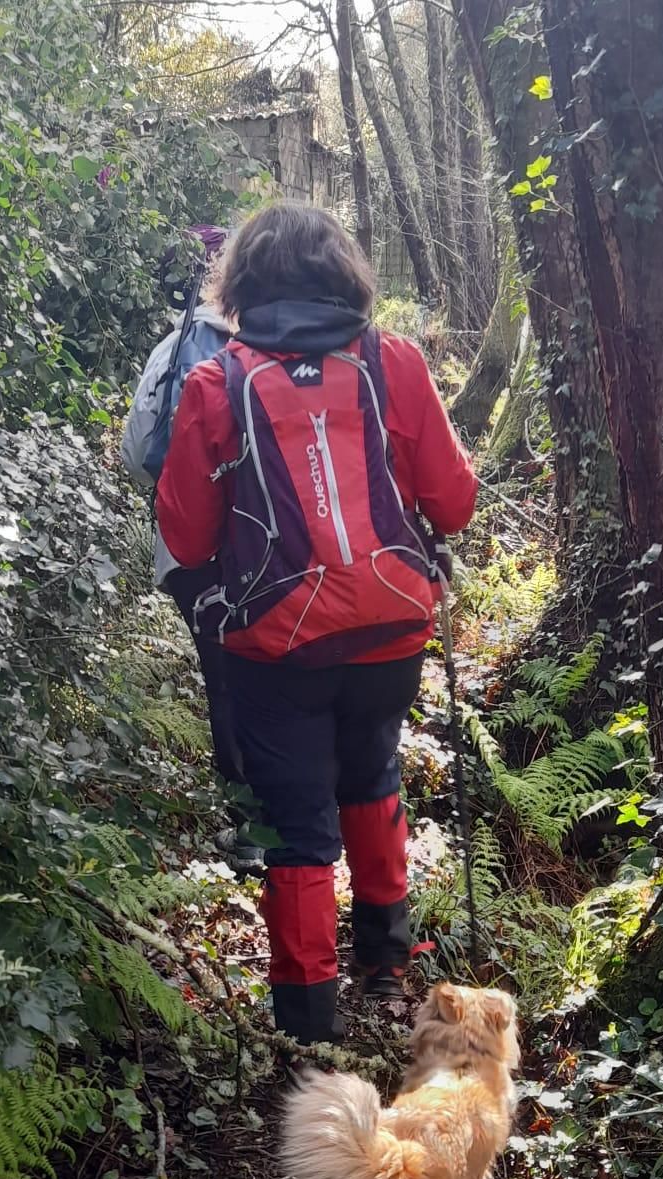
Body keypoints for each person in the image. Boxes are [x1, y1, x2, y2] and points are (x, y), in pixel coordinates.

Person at [156, 204, 477, 1043]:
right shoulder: (396, 364)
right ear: (346, 273)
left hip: (275, 645)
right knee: (370, 773)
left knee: (298, 823)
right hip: (391, 627)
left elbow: (184, 539)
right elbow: (454, 502)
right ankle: (387, 960)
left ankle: (308, 1023)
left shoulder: (213, 384)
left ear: (243, 286)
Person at [121, 226, 265, 871]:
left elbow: (137, 454)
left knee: (225, 680)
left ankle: (252, 827)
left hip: (191, 554)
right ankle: (310, 821)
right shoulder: (292, 348)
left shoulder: (177, 346)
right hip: (279, 550)